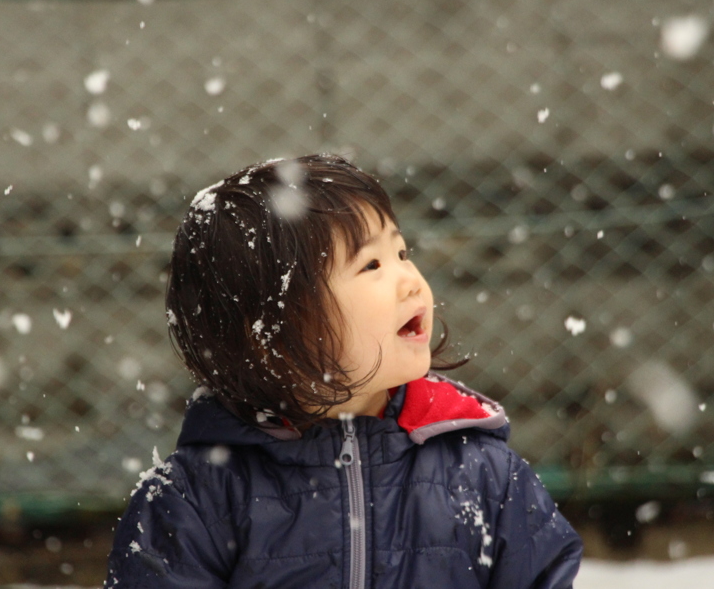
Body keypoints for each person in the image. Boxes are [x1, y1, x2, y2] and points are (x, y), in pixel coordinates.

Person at [105, 154, 582, 589]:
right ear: (270, 329)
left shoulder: (480, 473)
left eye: (401, 253)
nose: (408, 280)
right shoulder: (199, 496)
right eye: (371, 264)